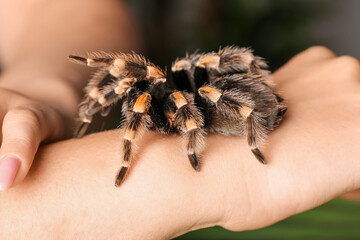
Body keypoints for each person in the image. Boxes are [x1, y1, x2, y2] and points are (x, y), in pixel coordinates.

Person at [0, 1, 359, 239]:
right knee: (163, 90)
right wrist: (223, 179)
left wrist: (45, 90)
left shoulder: (167, 91)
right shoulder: (149, 100)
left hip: (239, 114)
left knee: (188, 72)